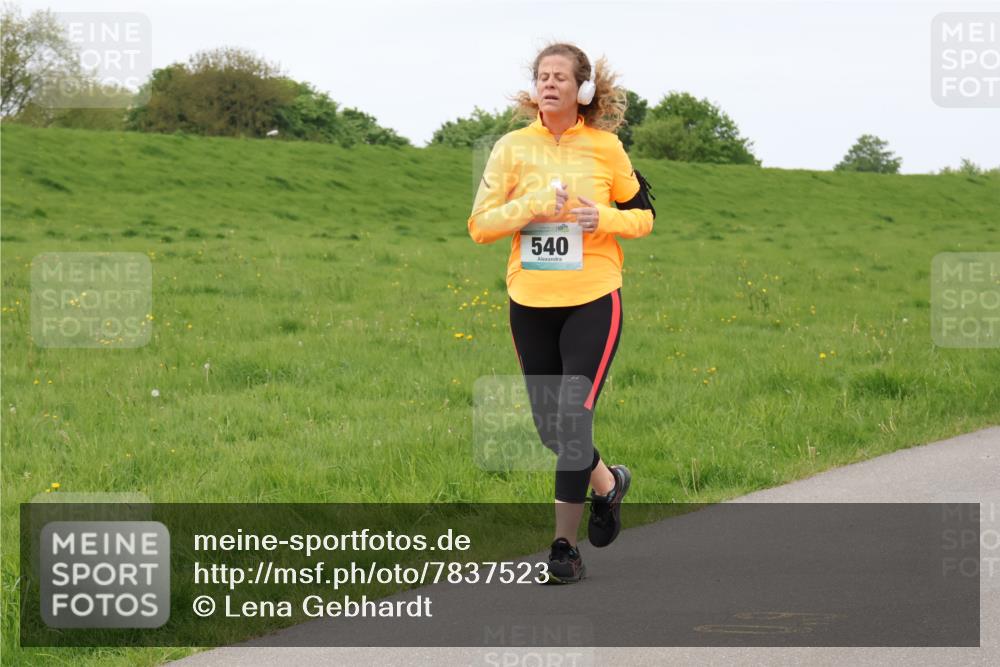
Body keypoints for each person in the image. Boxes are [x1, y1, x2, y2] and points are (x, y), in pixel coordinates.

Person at [467, 43, 655, 583]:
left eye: (561, 78)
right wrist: (530, 207)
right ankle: (608, 484)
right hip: (530, 301)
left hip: (594, 296)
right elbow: (480, 227)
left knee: (572, 421)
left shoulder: (606, 148)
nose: (549, 84)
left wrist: (603, 218)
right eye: (542, 76)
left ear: (583, 90)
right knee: (551, 428)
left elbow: (643, 217)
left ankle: (563, 548)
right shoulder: (510, 148)